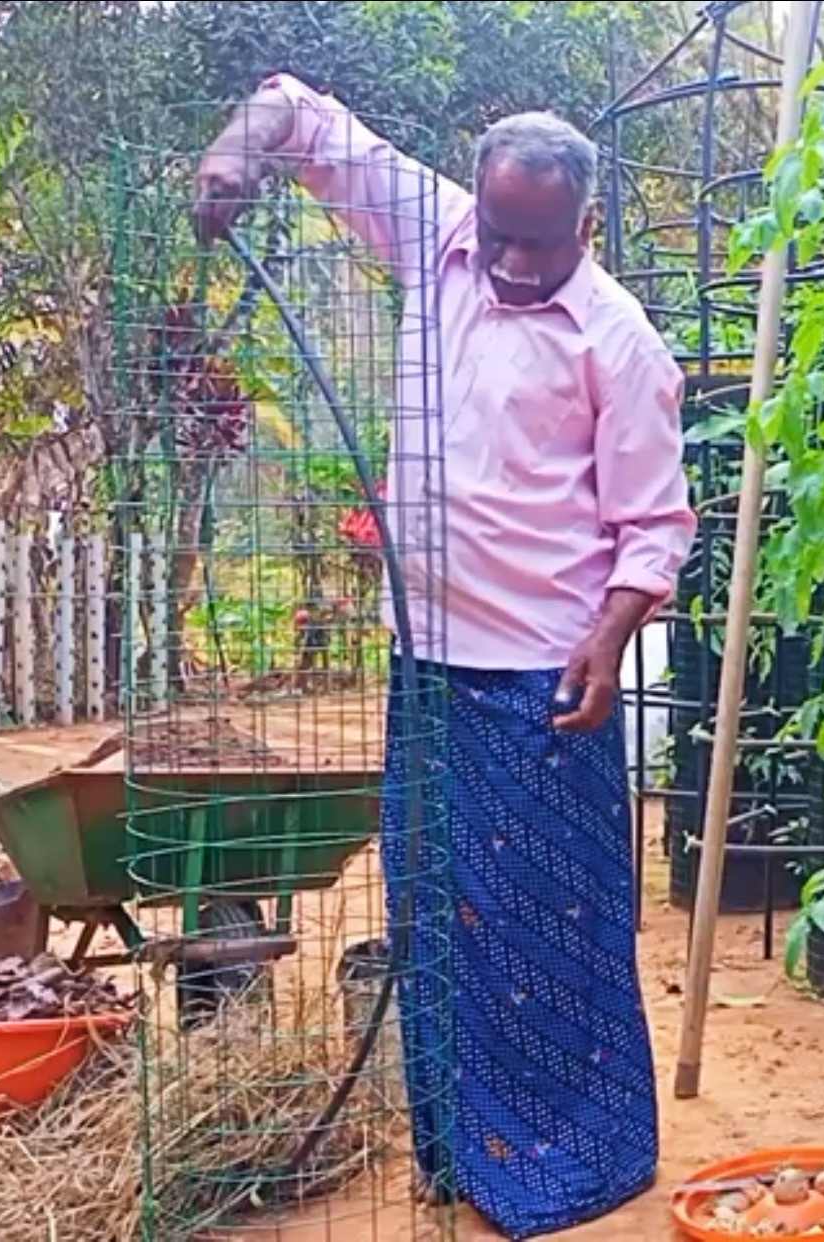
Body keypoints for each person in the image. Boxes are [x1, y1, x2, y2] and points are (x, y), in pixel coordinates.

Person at [193, 74, 695, 1241]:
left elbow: (654, 523)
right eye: (497, 235)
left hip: (541, 673)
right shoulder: (441, 232)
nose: (508, 266)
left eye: (535, 244)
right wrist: (234, 155)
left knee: (545, 925)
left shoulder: (618, 344)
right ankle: (454, 1147)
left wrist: (610, 635)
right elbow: (297, 112)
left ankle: (573, 1156)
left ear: (587, 227)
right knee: (435, 911)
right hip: (423, 660)